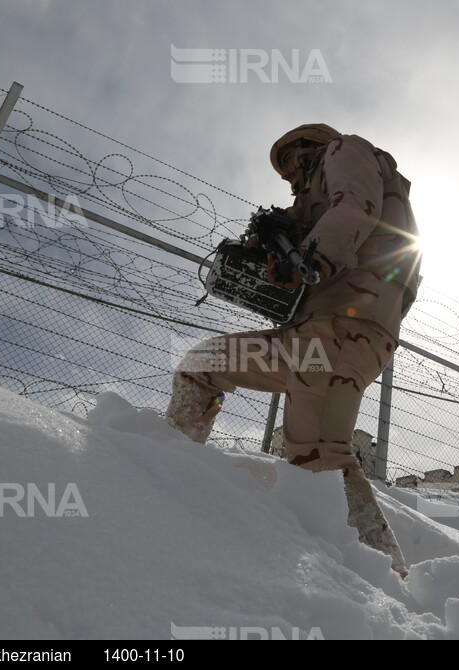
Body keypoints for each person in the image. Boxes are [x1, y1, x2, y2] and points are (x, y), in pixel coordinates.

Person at [165, 123, 422, 578]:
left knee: (318, 458)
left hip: (342, 329)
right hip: (310, 335)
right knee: (200, 365)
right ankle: (163, 466)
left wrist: (310, 256)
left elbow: (354, 209)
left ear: (309, 145)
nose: (286, 175)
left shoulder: (346, 152)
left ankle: (388, 581)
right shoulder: (310, 201)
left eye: (287, 161)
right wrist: (271, 242)